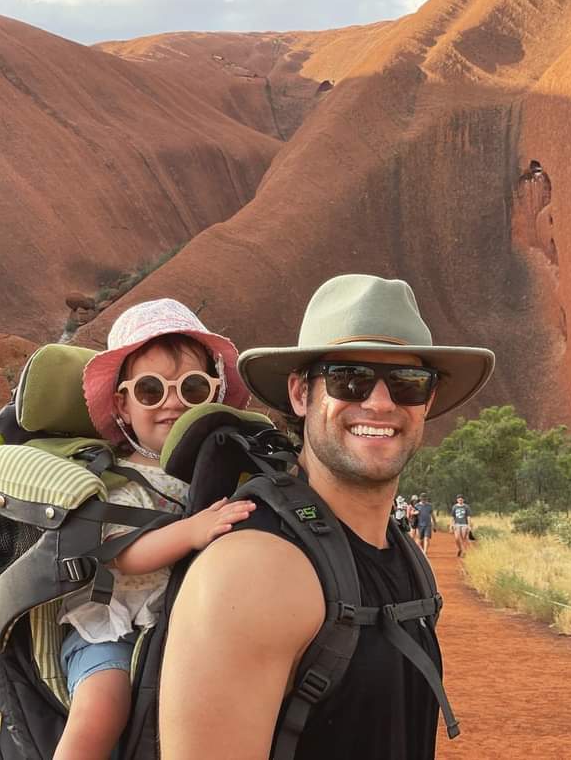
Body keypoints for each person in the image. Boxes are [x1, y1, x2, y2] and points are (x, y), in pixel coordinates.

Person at [159, 274, 494, 759]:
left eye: (407, 384)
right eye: (349, 379)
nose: (380, 402)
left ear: (428, 402)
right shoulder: (252, 570)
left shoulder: (404, 556)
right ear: (301, 394)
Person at [54, 299, 256, 760]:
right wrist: (192, 531)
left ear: (214, 394)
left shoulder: (221, 470)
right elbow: (122, 553)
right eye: (150, 390)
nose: (173, 402)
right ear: (123, 406)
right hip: (112, 629)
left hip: (188, 628)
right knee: (102, 707)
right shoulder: (118, 478)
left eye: (192, 387)